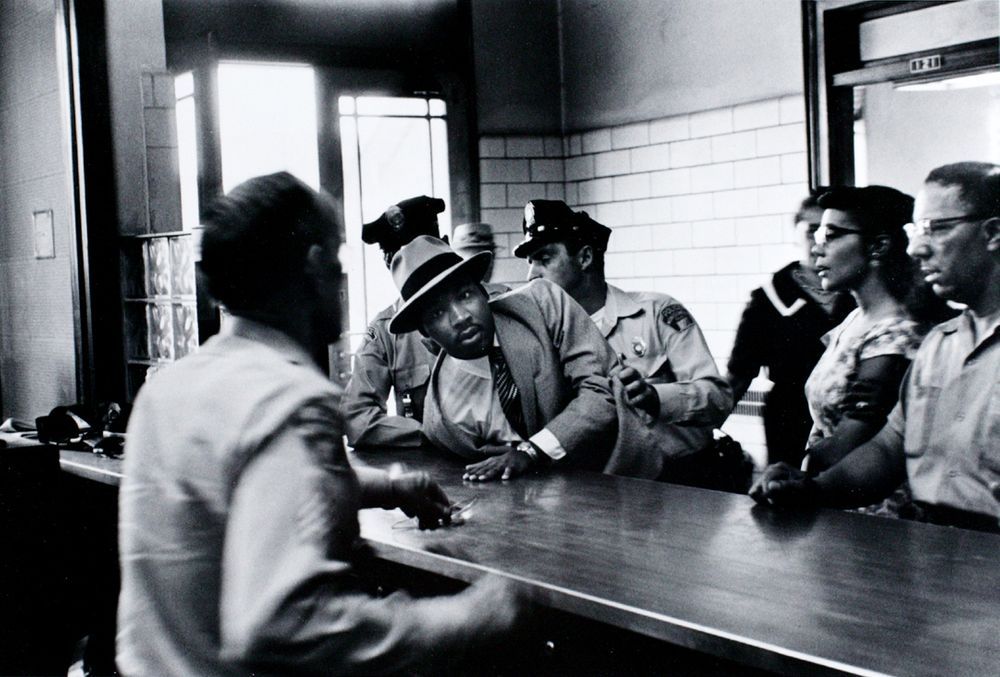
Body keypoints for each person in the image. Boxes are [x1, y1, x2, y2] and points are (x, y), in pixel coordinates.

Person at [117, 173, 522, 676]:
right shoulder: (287, 401)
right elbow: (280, 624)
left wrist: (389, 487)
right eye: (337, 258)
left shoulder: (171, 388)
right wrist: (468, 617)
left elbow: (241, 490)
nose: (342, 278)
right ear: (313, 266)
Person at [751, 162, 1000, 533]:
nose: (916, 248)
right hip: (931, 549)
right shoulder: (939, 345)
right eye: (916, 230)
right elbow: (888, 448)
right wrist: (812, 487)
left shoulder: (904, 334)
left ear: (993, 232)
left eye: (937, 229)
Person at [514, 199, 732, 480]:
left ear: (584, 258)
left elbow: (719, 398)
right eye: (530, 263)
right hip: (602, 488)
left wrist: (657, 399)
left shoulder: (655, 314)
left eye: (544, 259)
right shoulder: (539, 339)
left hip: (682, 479)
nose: (532, 275)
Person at [387, 235, 618, 482]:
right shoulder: (443, 422)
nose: (460, 317)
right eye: (438, 312)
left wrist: (531, 450)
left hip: (623, 473)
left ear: (484, 293)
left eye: (466, 295)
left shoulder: (542, 305)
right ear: (425, 332)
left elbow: (601, 392)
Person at [801, 186, 949, 475]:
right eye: (818, 236)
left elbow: (848, 445)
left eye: (831, 236)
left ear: (878, 246)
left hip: (873, 509)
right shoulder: (854, 319)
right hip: (831, 496)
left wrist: (800, 469)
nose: (817, 248)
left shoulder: (897, 335)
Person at [726, 194, 855, 467]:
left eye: (831, 233)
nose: (821, 242)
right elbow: (739, 375)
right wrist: (704, 431)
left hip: (852, 420)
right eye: (812, 231)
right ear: (795, 232)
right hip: (790, 418)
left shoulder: (859, 293)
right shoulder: (769, 298)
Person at [342, 196, 452, 448]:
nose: (401, 265)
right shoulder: (385, 329)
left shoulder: (494, 304)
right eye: (390, 256)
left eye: (414, 251)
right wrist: (437, 434)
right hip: (436, 470)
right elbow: (356, 419)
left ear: (445, 246)